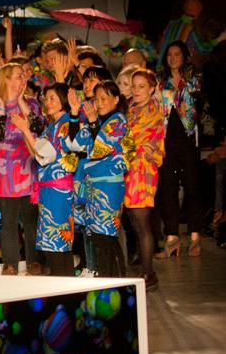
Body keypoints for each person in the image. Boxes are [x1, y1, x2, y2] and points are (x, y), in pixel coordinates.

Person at [0, 63, 46, 275]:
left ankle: (33, 261)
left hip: (28, 169)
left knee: (31, 220)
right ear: (6, 80)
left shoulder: (32, 104)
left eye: (23, 76)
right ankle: (10, 263)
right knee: (8, 221)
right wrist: (3, 105)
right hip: (3, 174)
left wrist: (21, 101)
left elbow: (38, 128)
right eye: (19, 76)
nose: (23, 79)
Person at [14, 83, 80, 277]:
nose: (47, 102)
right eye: (46, 98)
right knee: (55, 246)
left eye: (52, 98)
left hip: (59, 193)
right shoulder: (53, 125)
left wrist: (25, 129)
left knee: (59, 245)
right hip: (50, 192)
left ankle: (64, 286)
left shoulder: (66, 124)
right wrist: (25, 130)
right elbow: (37, 153)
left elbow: (46, 154)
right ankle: (63, 285)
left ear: (63, 101)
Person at [75, 81, 129, 278]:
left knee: (105, 236)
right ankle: (112, 279)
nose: (99, 103)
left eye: (104, 98)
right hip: (92, 186)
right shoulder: (96, 121)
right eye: (96, 99)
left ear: (116, 99)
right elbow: (75, 144)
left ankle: (114, 281)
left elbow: (101, 148)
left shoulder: (118, 120)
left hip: (109, 186)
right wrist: (76, 115)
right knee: (98, 237)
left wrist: (92, 122)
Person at [155, 41, 203, 258]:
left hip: (187, 137)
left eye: (177, 54)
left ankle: (194, 234)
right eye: (170, 54)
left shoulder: (193, 78)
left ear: (184, 56)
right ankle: (172, 236)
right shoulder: (159, 80)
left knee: (192, 185)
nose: (173, 58)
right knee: (168, 188)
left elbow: (197, 103)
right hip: (166, 138)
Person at [124, 68, 166, 289]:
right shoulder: (131, 109)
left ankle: (148, 274)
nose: (136, 90)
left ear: (152, 88)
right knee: (135, 224)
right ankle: (147, 273)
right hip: (129, 170)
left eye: (141, 86)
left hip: (142, 172)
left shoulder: (152, 110)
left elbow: (131, 138)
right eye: (134, 86)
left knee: (141, 223)